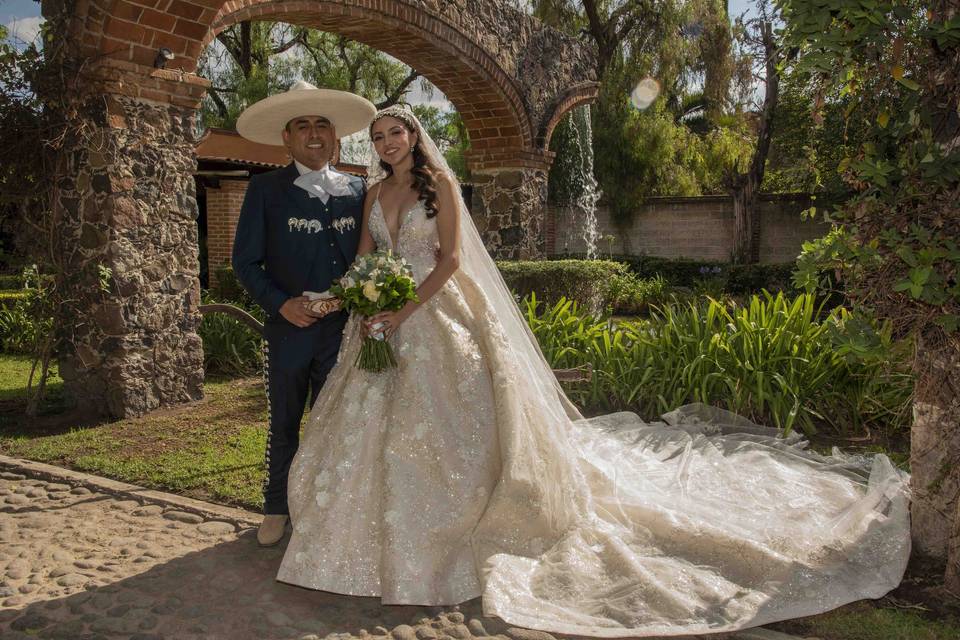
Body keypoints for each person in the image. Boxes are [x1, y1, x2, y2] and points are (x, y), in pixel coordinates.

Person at [277, 105, 911, 637]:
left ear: (415, 137)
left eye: (398, 133)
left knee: (446, 426)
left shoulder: (438, 187)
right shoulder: (371, 191)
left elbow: (447, 263)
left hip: (433, 314)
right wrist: (350, 303)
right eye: (380, 136)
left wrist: (405, 312)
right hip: (381, 320)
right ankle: (353, 547)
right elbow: (364, 261)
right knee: (364, 429)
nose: (389, 144)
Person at [232, 81, 375, 546]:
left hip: (345, 331)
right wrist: (281, 304)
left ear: (335, 138)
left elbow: (374, 256)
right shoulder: (265, 190)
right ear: (286, 138)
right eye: (302, 125)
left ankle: (329, 509)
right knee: (285, 421)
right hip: (289, 332)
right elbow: (244, 262)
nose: (313, 134)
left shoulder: (359, 190)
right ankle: (276, 507)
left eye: (322, 125)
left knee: (339, 421)